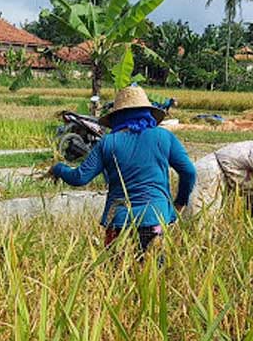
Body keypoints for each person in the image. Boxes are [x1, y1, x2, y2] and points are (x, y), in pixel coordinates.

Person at [48, 85, 196, 255]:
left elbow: (79, 178)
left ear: (117, 116)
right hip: (155, 217)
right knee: (152, 272)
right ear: (147, 112)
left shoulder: (108, 142)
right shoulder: (164, 137)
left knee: (116, 272)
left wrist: (58, 168)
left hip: (118, 220)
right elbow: (189, 172)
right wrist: (180, 201)